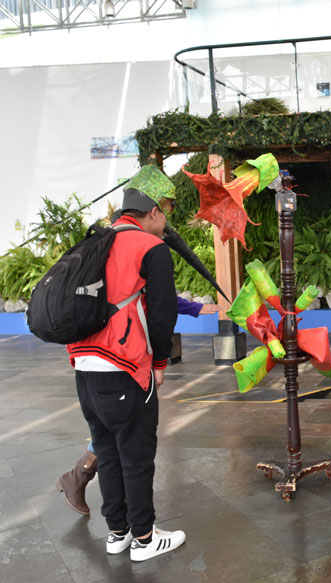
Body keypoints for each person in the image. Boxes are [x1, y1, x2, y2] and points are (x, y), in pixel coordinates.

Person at [64, 165, 184, 562]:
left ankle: (117, 533)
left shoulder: (98, 241)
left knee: (108, 452)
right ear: (152, 211)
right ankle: (146, 539)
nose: (166, 223)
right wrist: (161, 362)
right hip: (126, 369)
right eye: (166, 213)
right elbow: (164, 313)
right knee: (135, 456)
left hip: (85, 370)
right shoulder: (151, 248)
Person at [56, 298, 220, 516]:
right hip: (119, 355)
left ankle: (91, 492)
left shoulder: (88, 266)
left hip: (91, 356)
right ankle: (137, 530)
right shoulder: (120, 264)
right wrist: (190, 308)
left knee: (115, 429)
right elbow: (152, 291)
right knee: (127, 431)